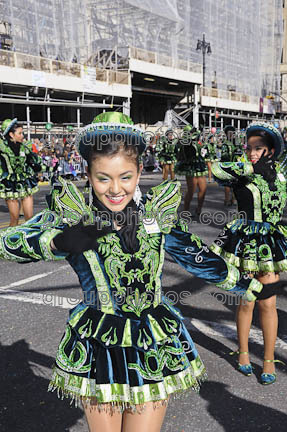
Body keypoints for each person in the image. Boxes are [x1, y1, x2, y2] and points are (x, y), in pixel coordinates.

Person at [0, 111, 262, 432]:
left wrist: (248, 286)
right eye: (103, 178)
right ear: (88, 172)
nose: (115, 189)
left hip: (152, 340)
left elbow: (197, 257)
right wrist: (55, 242)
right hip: (100, 342)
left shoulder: (157, 215)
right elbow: (8, 242)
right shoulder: (75, 213)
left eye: (125, 176)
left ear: (139, 171)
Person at [210, 122, 287, 385]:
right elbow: (216, 171)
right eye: (250, 147)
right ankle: (243, 352)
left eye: (259, 148)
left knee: (269, 303)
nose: (252, 152)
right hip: (245, 244)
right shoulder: (242, 172)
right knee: (248, 300)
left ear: (272, 150)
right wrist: (251, 167)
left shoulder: (282, 175)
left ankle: (267, 359)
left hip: (271, 245)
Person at [0, 118, 42, 226]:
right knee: (15, 219)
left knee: (29, 218)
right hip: (10, 183)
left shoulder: (25, 147)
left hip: (25, 182)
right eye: (20, 133)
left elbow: (34, 162)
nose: (22, 135)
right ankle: (10, 241)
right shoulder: (2, 148)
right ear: (11, 135)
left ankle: (28, 241)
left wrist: (48, 168)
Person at [175, 126, 207, 217]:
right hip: (190, 168)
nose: (193, 133)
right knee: (191, 190)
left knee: (203, 189)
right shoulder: (184, 143)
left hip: (199, 166)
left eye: (193, 132)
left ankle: (199, 209)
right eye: (191, 132)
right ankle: (186, 210)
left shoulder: (197, 141)